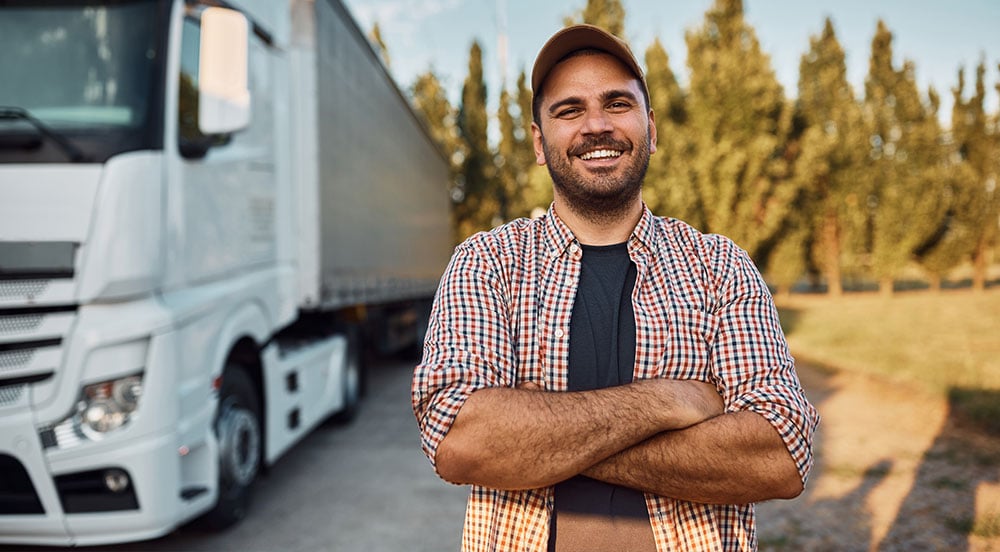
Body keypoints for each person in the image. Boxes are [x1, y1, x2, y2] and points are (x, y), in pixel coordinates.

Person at [412, 24, 819, 552]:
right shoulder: (488, 263)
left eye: (617, 103)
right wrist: (667, 401)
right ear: (539, 142)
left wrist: (539, 440)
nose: (596, 126)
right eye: (569, 110)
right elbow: (462, 442)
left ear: (651, 127)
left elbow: (780, 455)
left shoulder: (720, 266)